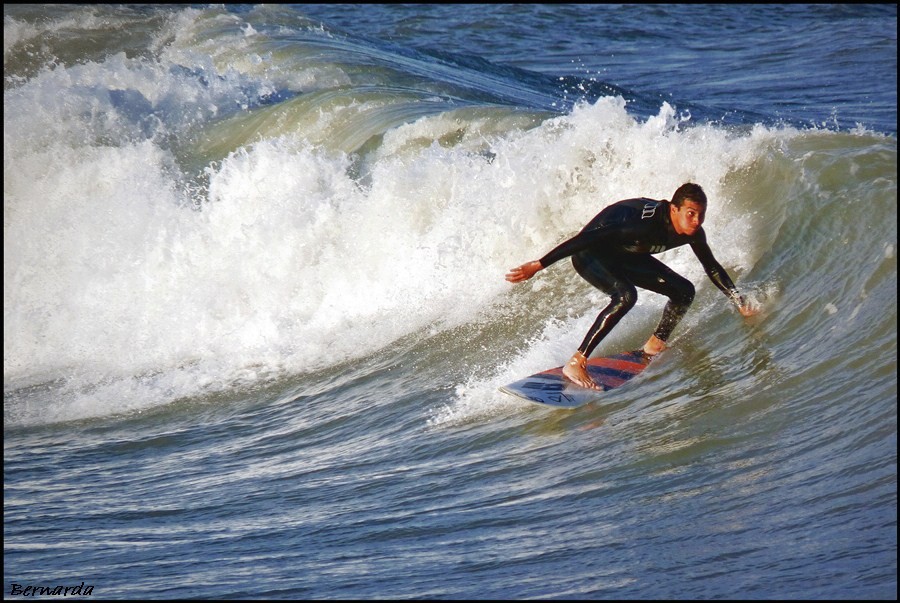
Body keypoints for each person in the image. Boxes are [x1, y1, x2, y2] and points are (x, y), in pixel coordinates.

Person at [505, 183, 758, 390]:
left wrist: (738, 301)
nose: (696, 220)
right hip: (591, 253)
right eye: (690, 213)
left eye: (701, 214)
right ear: (673, 210)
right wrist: (539, 264)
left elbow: (711, 266)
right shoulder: (643, 225)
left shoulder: (693, 232)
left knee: (684, 291)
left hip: (626, 254)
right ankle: (576, 361)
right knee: (626, 296)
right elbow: (587, 238)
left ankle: (655, 344)